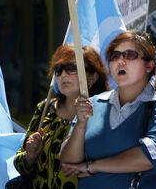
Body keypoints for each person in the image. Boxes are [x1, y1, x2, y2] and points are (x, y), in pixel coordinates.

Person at [60, 31, 156, 189]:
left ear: (149, 65)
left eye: (130, 55)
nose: (121, 61)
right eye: (115, 56)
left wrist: (93, 166)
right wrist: (81, 124)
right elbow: (69, 164)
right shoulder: (93, 103)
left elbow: (148, 157)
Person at [13, 45, 109, 188]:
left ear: (93, 77)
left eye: (71, 68)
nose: (63, 74)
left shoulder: (104, 113)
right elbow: (21, 166)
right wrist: (29, 156)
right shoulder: (44, 109)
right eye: (58, 69)